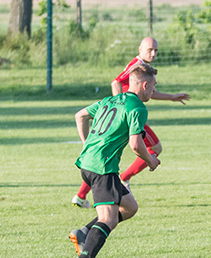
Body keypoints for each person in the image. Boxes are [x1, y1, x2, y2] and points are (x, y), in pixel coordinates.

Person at [71, 36, 189, 208]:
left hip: (124, 111)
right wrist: (119, 103)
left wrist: (171, 97)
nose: (154, 53)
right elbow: (116, 81)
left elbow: (147, 91)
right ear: (140, 49)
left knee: (105, 150)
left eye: (156, 50)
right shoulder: (136, 64)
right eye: (150, 49)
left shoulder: (144, 71)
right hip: (127, 113)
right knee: (154, 148)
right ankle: (124, 178)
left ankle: (81, 195)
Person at [68, 64, 161, 258]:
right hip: (103, 167)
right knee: (108, 219)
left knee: (129, 207)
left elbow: (80, 115)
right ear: (144, 85)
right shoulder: (137, 108)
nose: (154, 91)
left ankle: (84, 233)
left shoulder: (109, 100)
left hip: (88, 162)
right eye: (153, 86)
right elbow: (136, 144)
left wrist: (87, 143)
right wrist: (151, 161)